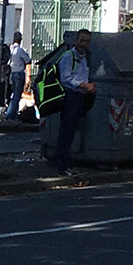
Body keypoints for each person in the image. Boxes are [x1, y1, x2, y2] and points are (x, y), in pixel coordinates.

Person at [55, 29, 97, 176]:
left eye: (87, 41)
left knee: (73, 130)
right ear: (76, 41)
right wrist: (85, 86)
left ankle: (66, 162)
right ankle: (62, 165)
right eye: (81, 40)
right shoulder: (69, 56)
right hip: (70, 96)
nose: (84, 44)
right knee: (66, 130)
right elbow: (66, 78)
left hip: (81, 97)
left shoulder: (85, 57)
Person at [5, 31, 31, 120]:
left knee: (12, 94)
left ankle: (10, 112)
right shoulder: (20, 50)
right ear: (20, 40)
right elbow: (28, 60)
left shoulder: (10, 50)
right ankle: (11, 114)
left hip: (11, 74)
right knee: (17, 95)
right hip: (19, 73)